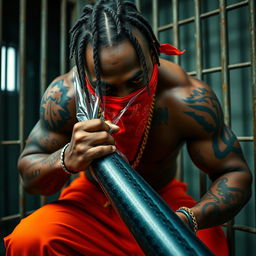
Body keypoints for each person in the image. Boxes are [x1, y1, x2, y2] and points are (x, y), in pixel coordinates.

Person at [4, 0, 252, 255]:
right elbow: (30, 179)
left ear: (154, 54)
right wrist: (66, 158)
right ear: (83, 72)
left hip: (164, 203)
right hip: (93, 200)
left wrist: (188, 219)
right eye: (107, 88)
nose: (125, 95)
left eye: (136, 81)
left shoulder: (186, 98)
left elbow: (234, 173)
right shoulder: (65, 96)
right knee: (31, 239)